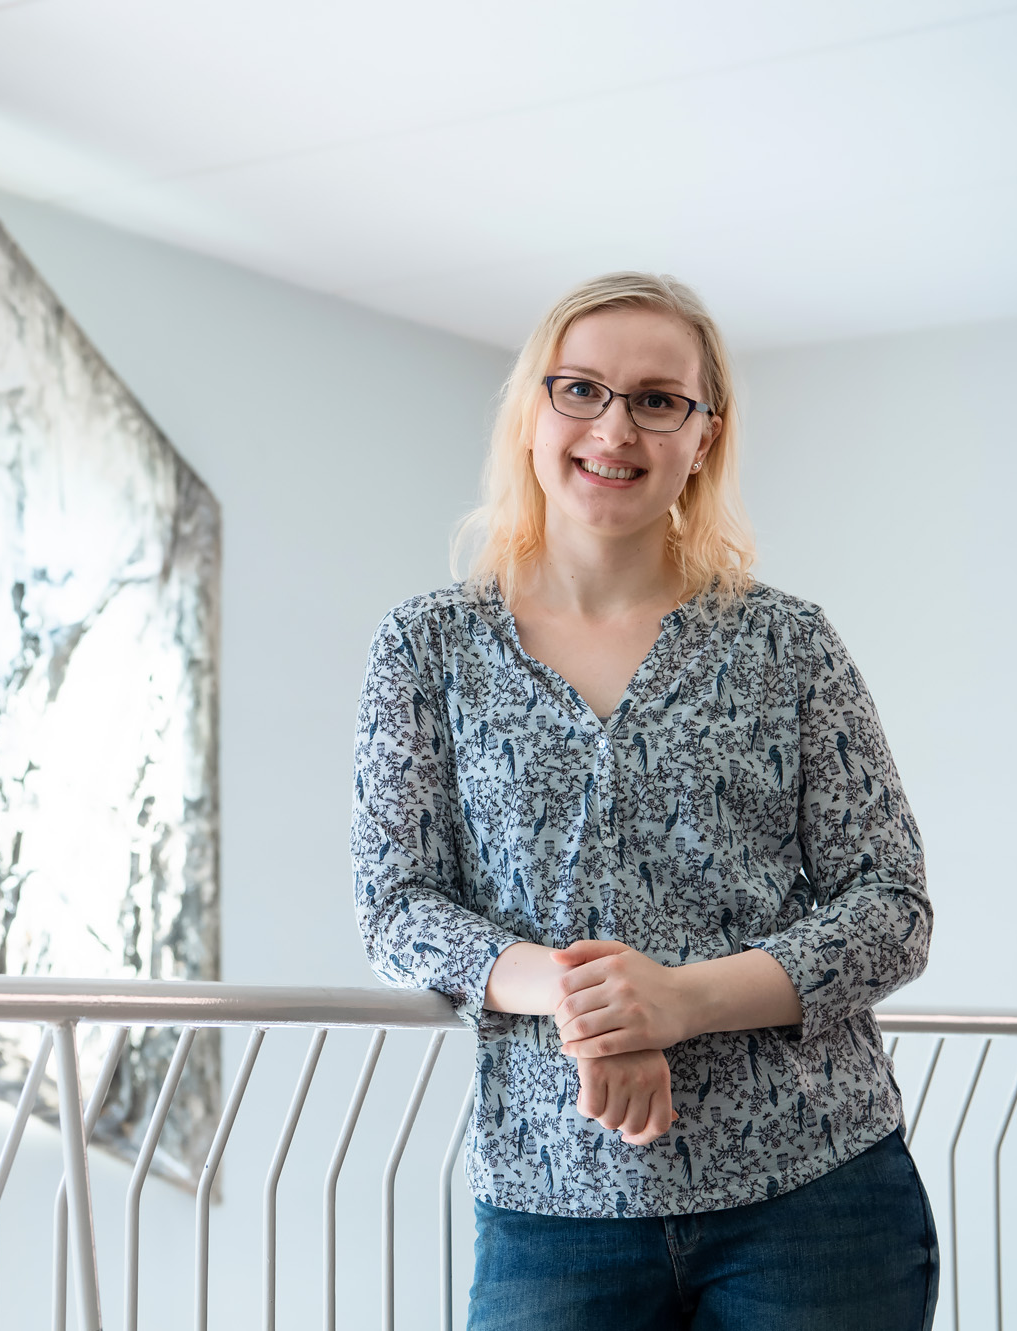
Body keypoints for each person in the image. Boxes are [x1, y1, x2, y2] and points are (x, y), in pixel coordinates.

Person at [350, 272, 938, 1329]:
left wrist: (677, 1001)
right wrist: (590, 1008)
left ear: (702, 435)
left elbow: (888, 905)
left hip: (814, 1196)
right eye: (579, 389)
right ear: (532, 411)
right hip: (552, 1205)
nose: (611, 427)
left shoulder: (786, 643)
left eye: (656, 398)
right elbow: (395, 907)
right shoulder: (425, 646)